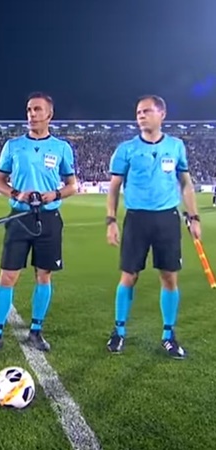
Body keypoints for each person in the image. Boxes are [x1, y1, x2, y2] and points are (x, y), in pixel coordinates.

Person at [0, 92, 78, 357]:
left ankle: (36, 331)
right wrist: (16, 194)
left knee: (43, 275)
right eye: (29, 110)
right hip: (19, 218)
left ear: (49, 114)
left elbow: (72, 185)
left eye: (37, 109)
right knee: (8, 276)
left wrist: (54, 194)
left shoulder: (61, 148)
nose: (32, 114)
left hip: (49, 219)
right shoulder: (13, 146)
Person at [105, 95, 201, 359]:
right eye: (138, 112)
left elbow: (186, 183)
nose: (141, 116)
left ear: (162, 114)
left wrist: (194, 217)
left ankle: (168, 336)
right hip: (136, 219)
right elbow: (113, 188)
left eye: (146, 111)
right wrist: (111, 221)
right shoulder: (126, 149)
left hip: (167, 219)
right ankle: (119, 331)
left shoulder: (176, 146)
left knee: (169, 277)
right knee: (129, 276)